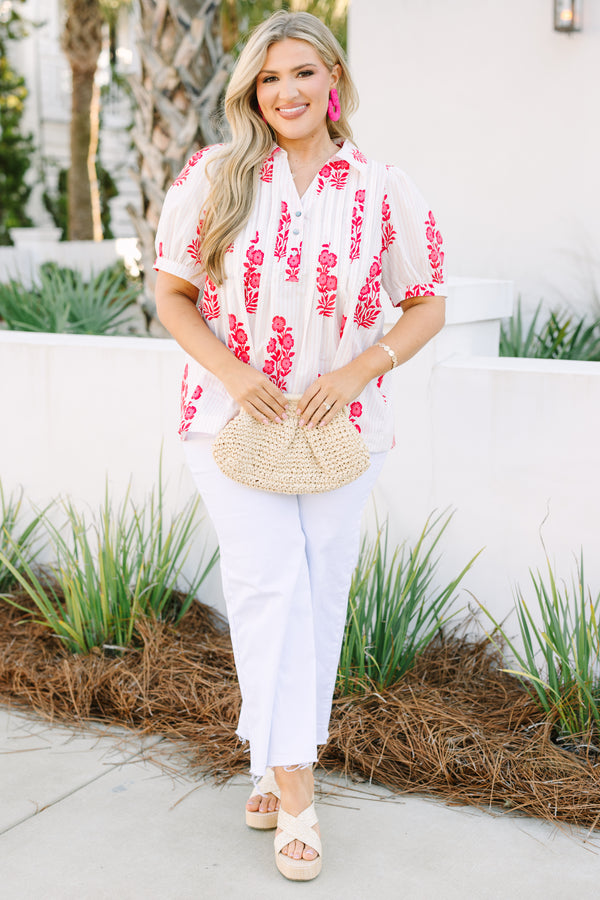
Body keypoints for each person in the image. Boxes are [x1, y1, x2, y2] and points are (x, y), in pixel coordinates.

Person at [153, 10, 446, 882]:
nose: (287, 92)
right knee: (269, 583)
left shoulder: (382, 188)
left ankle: (265, 760)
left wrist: (358, 371)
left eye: (304, 73)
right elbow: (171, 295)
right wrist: (234, 373)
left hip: (343, 427)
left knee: (317, 594)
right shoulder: (215, 176)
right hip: (230, 420)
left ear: (334, 81)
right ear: (253, 91)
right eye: (270, 78)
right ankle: (296, 794)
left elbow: (427, 303)